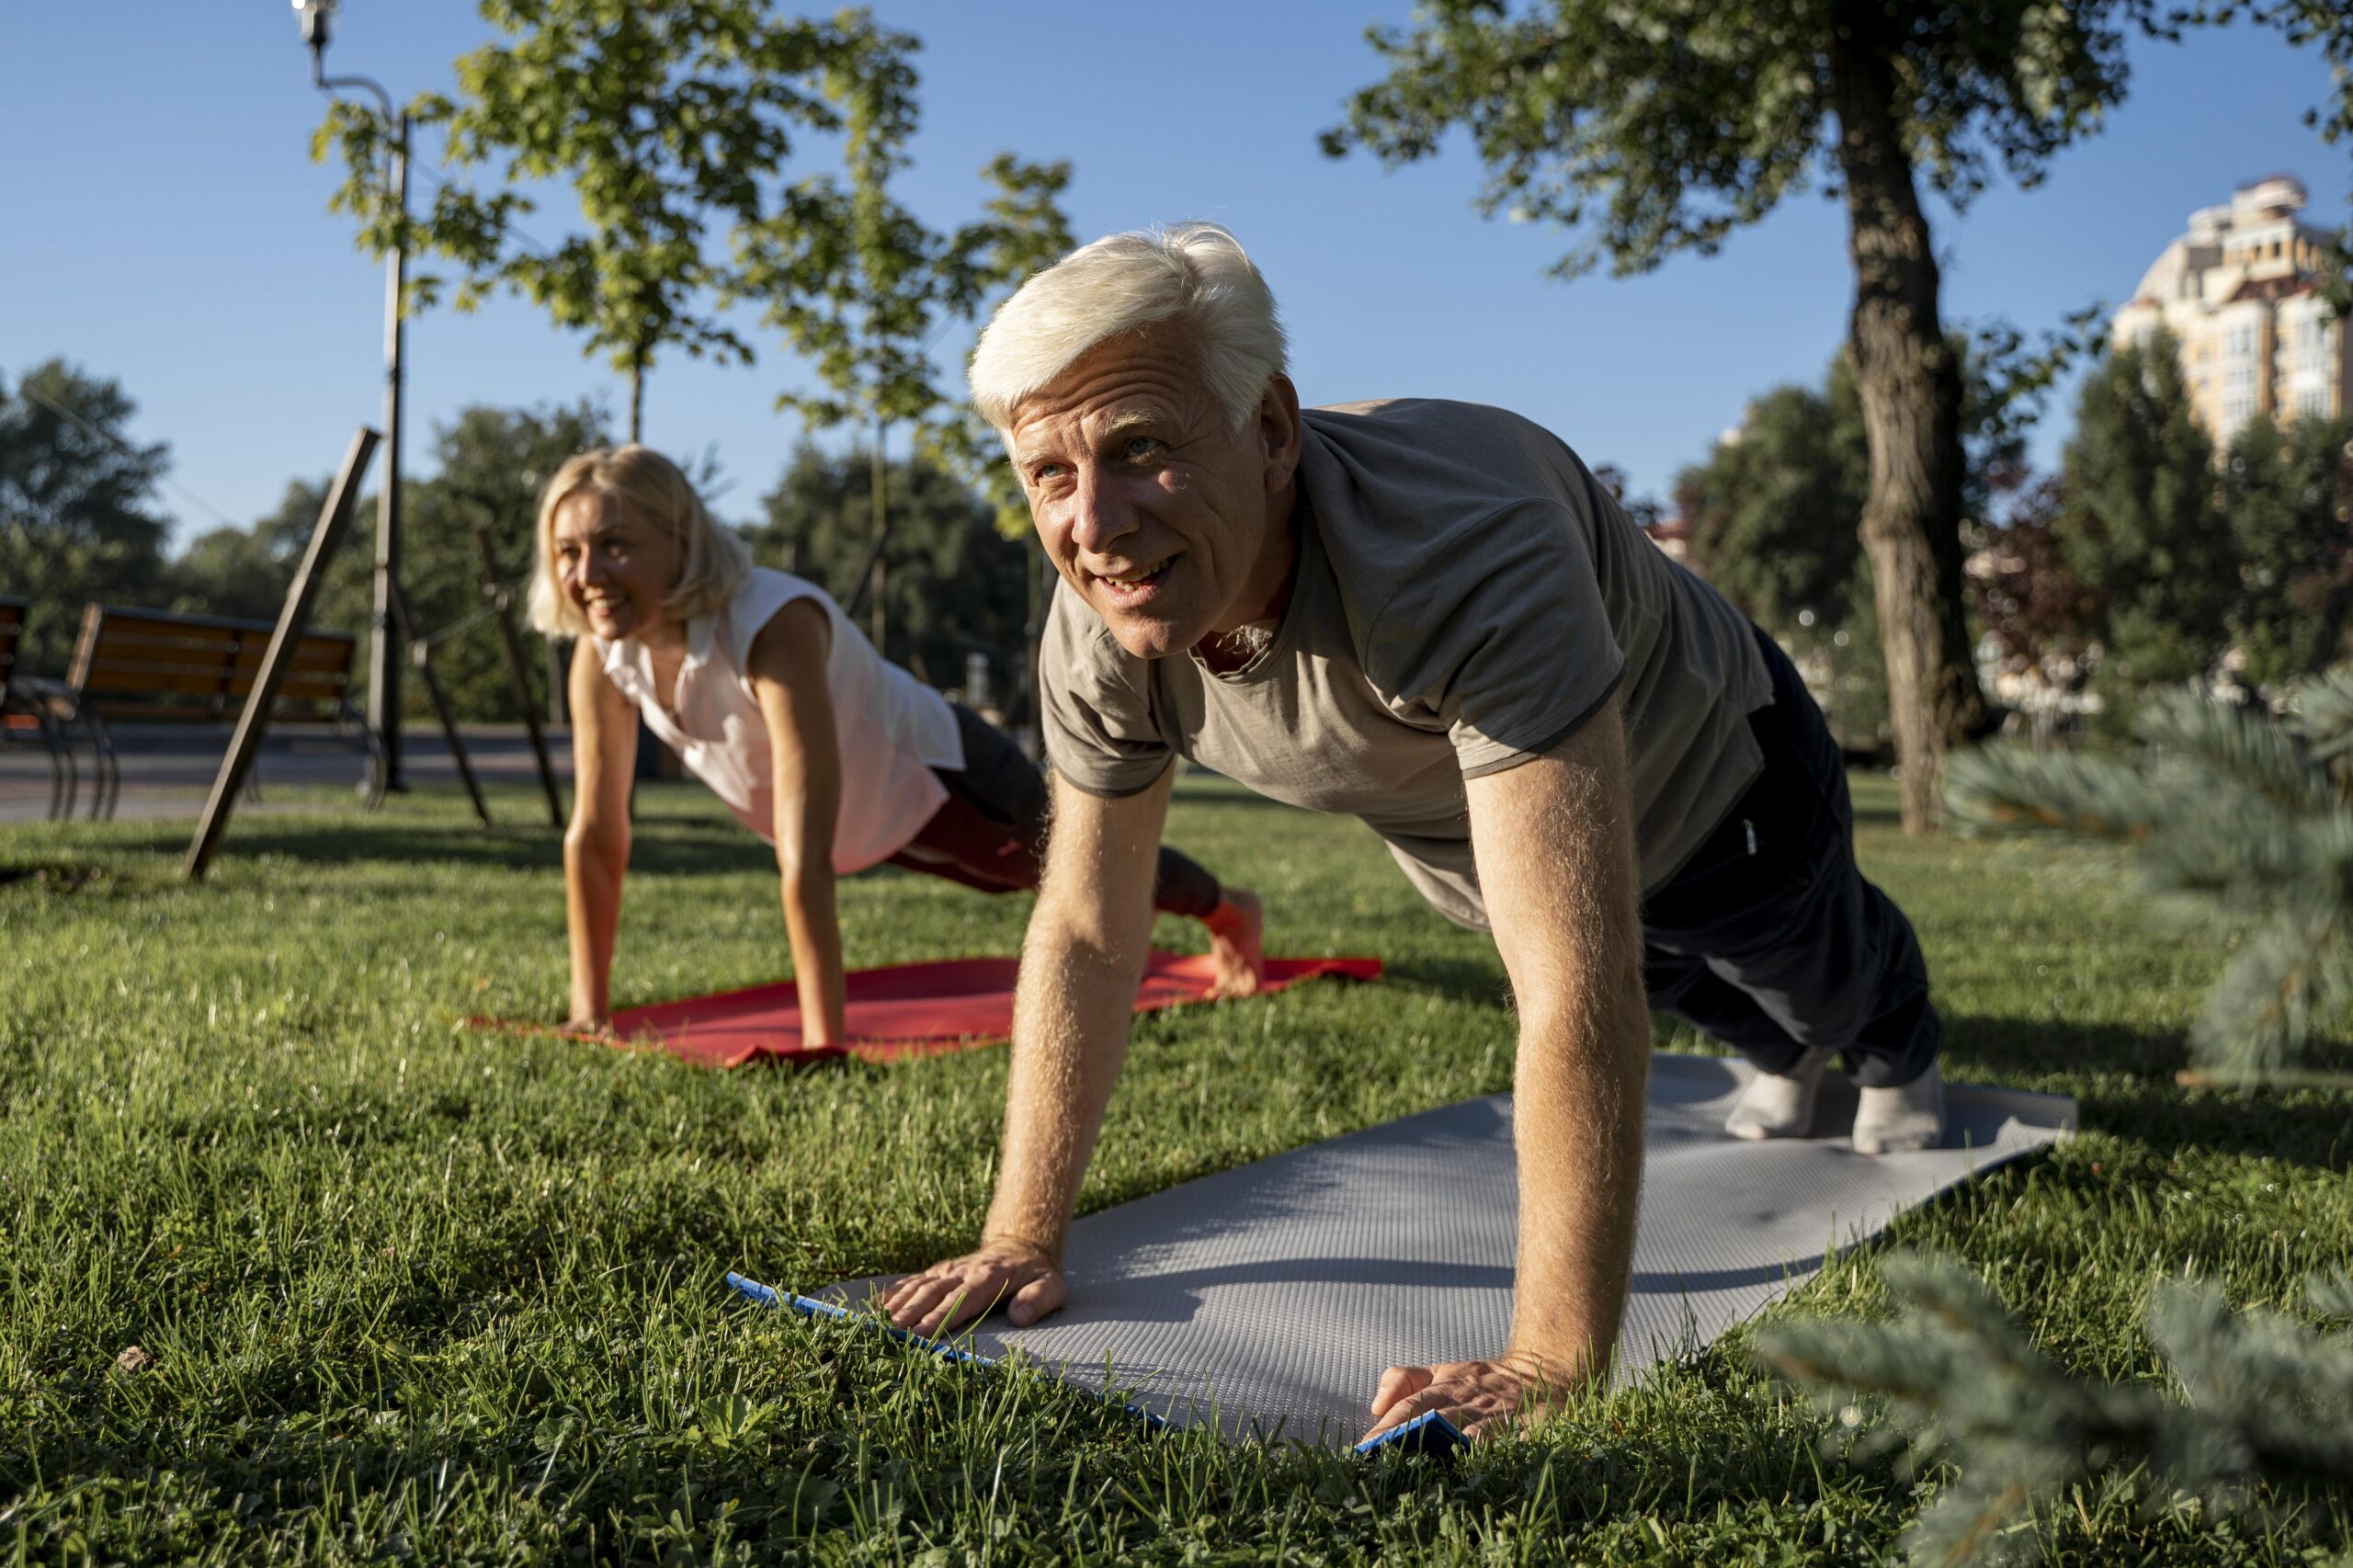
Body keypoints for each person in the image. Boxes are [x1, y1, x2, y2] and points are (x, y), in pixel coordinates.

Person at [880, 223, 1947, 1441]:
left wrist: (1550, 1354)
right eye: (1049, 477)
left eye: (1141, 451)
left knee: (1802, 968)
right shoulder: (1099, 633)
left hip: (1723, 782)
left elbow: (1570, 983)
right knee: (1700, 1001)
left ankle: (1898, 1045)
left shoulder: (1459, 545)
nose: (1097, 522)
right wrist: (1021, 1232)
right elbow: (1083, 928)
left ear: (1272, 431)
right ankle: (1785, 1051)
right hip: (1486, 854)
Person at [527, 445, 1265, 1046]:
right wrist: (589, 1013)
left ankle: (1227, 908)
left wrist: (824, 1042)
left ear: (680, 541)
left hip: (943, 777)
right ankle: (1218, 905)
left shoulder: (771, 627)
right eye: (567, 552)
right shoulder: (604, 657)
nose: (586, 575)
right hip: (869, 816)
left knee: (1072, 869)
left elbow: (804, 849)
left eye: (614, 546)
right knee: (1041, 876)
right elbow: (595, 834)